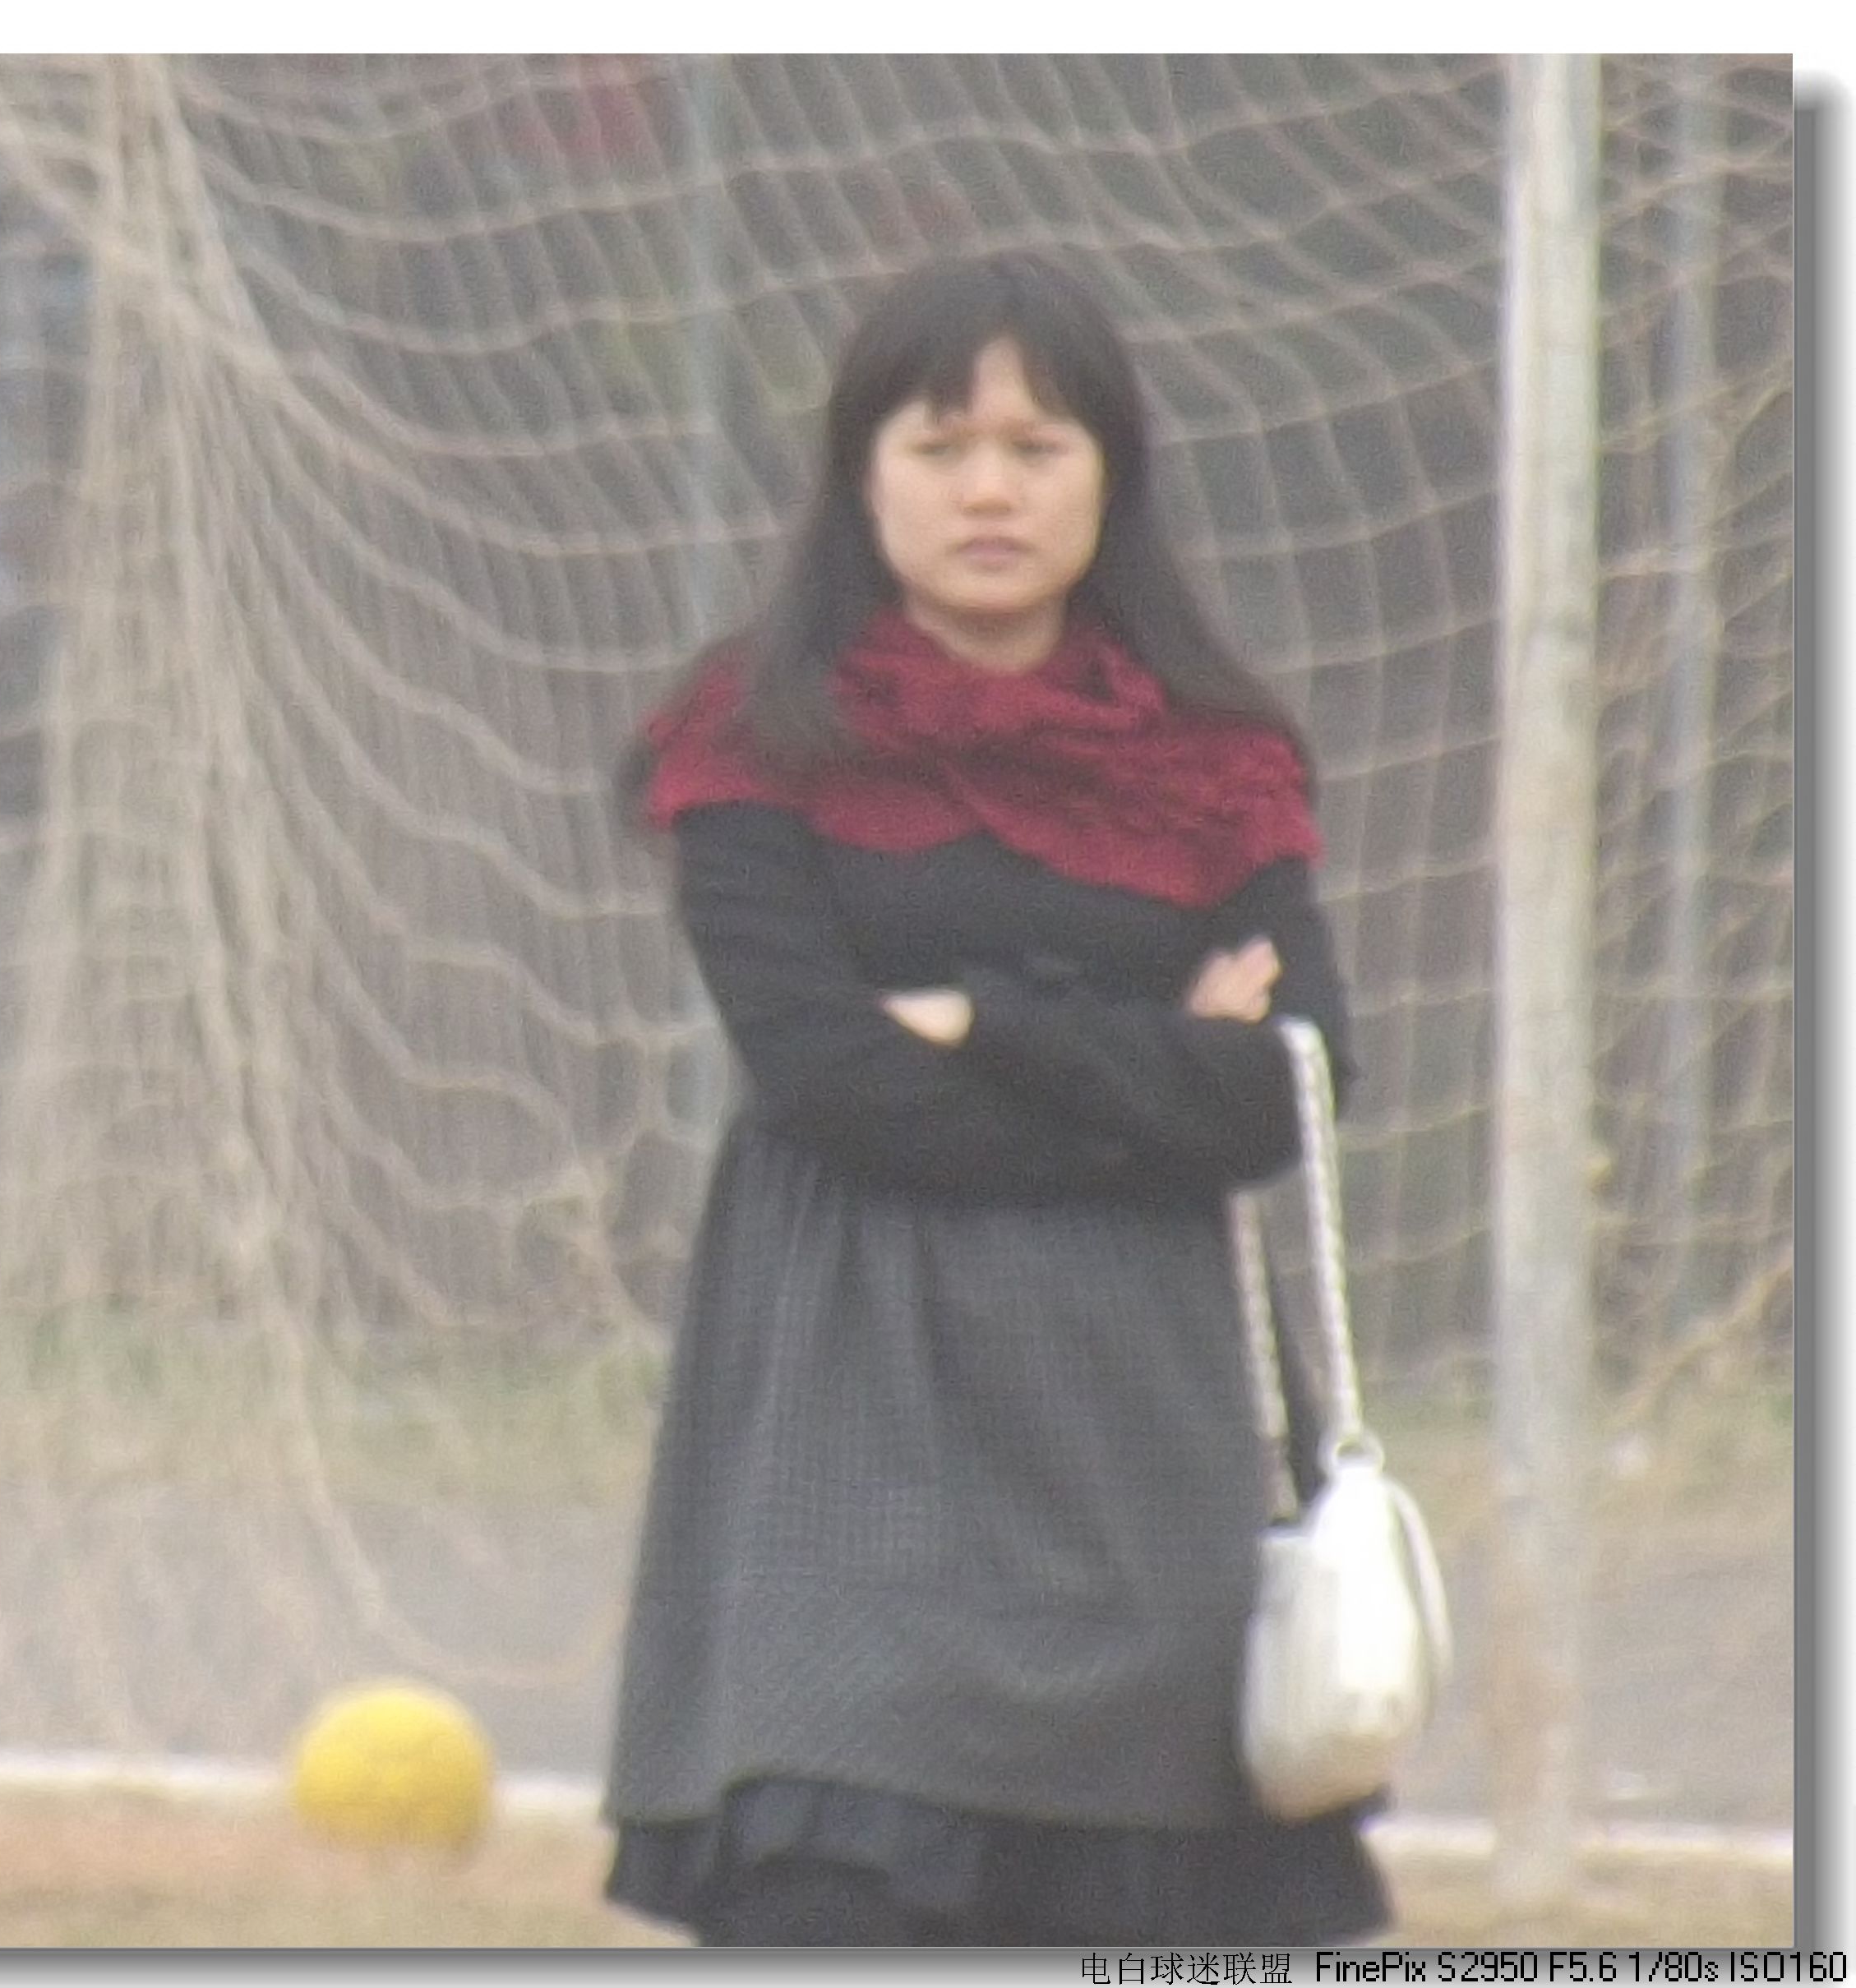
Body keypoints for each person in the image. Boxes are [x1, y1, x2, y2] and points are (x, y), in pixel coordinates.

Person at [600, 251, 1391, 1948]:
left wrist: (988, 1022)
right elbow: (831, 1082)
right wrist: (1154, 1062)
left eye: (1037, 448)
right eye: (940, 444)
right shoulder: (753, 731)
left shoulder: (1213, 756)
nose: (988, 490)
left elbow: (1293, 1087)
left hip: (1150, 1428)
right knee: (841, 1878)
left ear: (1111, 476)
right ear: (859, 475)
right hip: (848, 1408)